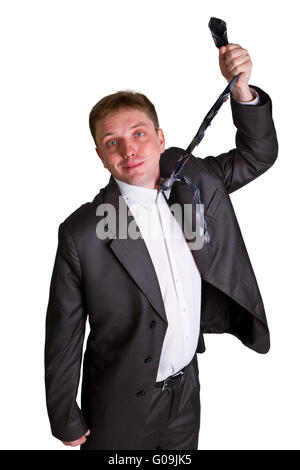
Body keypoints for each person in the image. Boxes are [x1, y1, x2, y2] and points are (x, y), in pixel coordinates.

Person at [44, 43, 278, 450]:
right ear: (101, 156)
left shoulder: (196, 180)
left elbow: (258, 155)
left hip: (186, 392)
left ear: (160, 137)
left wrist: (241, 90)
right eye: (112, 142)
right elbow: (64, 333)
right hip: (120, 404)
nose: (129, 149)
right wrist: (64, 414)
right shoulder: (82, 232)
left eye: (138, 134)